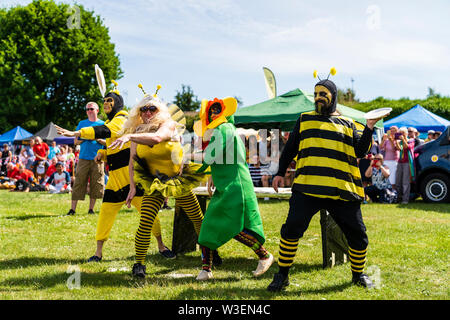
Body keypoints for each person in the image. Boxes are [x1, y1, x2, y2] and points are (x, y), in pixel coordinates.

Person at [267, 70, 378, 292]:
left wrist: (369, 127)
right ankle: (282, 275)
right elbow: (290, 148)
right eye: (316, 94)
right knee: (291, 230)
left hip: (342, 190)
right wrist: (280, 173)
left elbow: (361, 150)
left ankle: (358, 275)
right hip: (308, 188)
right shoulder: (304, 119)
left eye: (323, 94)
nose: (318, 97)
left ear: (333, 96)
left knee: (358, 234)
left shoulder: (348, 123)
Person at [56, 81, 172, 262]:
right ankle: (98, 252)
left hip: (131, 177)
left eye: (109, 100)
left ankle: (161, 245)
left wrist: (76, 133)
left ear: (117, 102)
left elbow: (106, 130)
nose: (106, 104)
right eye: (104, 101)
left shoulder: (122, 118)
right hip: (115, 179)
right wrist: (103, 153)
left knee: (148, 213)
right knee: (105, 213)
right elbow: (113, 145)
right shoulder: (112, 120)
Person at [110, 88, 208, 278]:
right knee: (146, 222)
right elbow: (132, 161)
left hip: (177, 181)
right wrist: (132, 187)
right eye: (143, 109)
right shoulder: (137, 131)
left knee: (197, 218)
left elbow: (157, 138)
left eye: (152, 109)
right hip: (153, 182)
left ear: (160, 111)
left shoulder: (169, 125)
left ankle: (209, 256)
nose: (147, 113)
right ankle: (139, 264)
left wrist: (129, 136)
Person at [193, 97, 273, 281]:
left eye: (217, 110)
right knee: (208, 227)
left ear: (225, 113)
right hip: (227, 186)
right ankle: (206, 270)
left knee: (231, 226)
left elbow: (210, 155)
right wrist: (213, 175)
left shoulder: (224, 128)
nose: (213, 113)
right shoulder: (222, 130)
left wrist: (183, 158)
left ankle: (264, 255)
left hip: (236, 187)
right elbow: (222, 155)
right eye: (210, 111)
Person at [66, 102, 105, 215]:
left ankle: (91, 209)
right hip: (83, 157)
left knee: (96, 183)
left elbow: (106, 141)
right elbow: (75, 141)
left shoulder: (103, 124)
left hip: (98, 158)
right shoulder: (82, 123)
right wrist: (85, 136)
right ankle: (72, 209)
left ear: (97, 110)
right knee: (79, 182)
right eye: (87, 109)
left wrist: (96, 138)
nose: (89, 111)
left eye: (91, 109)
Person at [395, 128, 415, 204]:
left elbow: (407, 147)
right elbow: (398, 149)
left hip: (407, 163)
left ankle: (405, 199)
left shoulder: (411, 140)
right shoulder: (400, 142)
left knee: (405, 182)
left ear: (406, 134)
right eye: (400, 133)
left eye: (403, 133)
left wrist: (403, 140)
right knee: (398, 181)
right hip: (400, 162)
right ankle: (398, 198)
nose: (401, 135)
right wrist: (396, 142)